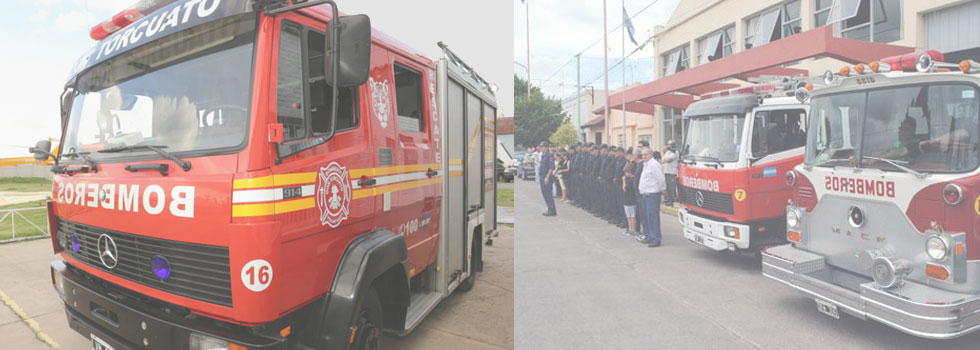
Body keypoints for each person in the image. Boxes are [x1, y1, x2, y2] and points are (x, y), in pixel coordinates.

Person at [637, 148, 666, 247]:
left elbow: (660, 178)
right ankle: (648, 236)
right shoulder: (646, 164)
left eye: (646, 154)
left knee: (652, 217)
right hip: (644, 195)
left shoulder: (654, 164)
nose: (644, 156)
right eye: (643, 155)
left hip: (652, 195)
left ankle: (656, 238)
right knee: (645, 217)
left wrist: (663, 189)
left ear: (651, 154)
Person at [621, 147, 639, 236]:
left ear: (629, 172)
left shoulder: (631, 180)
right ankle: (629, 228)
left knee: (632, 216)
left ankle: (633, 229)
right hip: (627, 200)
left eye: (626, 172)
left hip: (630, 200)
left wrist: (623, 181)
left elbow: (625, 188)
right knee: (628, 216)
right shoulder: (629, 178)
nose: (625, 174)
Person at [538, 142, 557, 216]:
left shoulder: (549, 156)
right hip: (542, 176)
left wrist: (547, 177)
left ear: (546, 147)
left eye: (542, 147)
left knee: (548, 194)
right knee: (544, 193)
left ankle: (552, 210)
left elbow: (551, 167)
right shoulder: (544, 155)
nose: (541, 148)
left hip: (546, 177)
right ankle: (550, 208)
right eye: (541, 146)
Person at [662, 140, 678, 206]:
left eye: (671, 145)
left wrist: (665, 160)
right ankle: (668, 200)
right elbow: (663, 160)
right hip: (666, 171)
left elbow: (669, 160)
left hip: (672, 172)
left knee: (671, 187)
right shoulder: (668, 152)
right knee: (667, 187)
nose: (669, 146)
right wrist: (665, 160)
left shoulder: (676, 152)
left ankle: (672, 201)